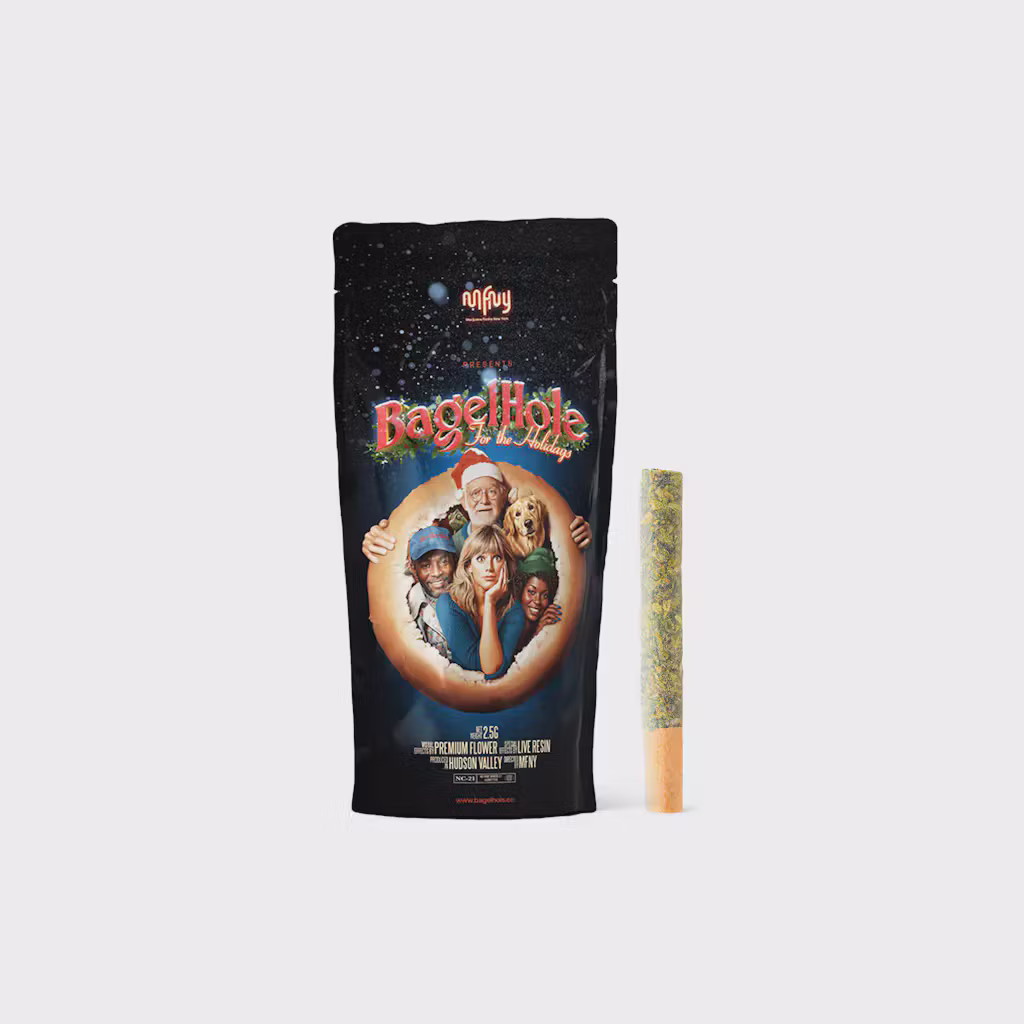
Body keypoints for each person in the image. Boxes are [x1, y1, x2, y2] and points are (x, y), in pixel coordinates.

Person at [361, 447, 593, 561]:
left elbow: (556, 547)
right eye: (475, 494)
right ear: (464, 500)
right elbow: (415, 552)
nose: (484, 501)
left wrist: (581, 537)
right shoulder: (450, 532)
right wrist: (378, 540)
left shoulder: (520, 525)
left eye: (491, 492)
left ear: (503, 495)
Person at [435, 525, 524, 679]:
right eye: (481, 559)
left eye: (497, 558)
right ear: (468, 565)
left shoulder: (514, 610)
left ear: (506, 564)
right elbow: (472, 664)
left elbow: (492, 669)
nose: (489, 568)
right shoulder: (448, 603)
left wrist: (490, 602)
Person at [404, 524, 457, 660]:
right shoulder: (408, 605)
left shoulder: (472, 595)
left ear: (454, 561)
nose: (437, 572)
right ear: (413, 569)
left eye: (444, 562)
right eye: (426, 566)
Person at [511, 547, 562, 654]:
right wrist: (537, 636)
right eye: (531, 592)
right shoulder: (510, 623)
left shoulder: (544, 625)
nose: (537, 601)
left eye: (545, 595)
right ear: (521, 590)